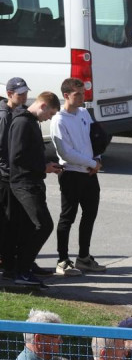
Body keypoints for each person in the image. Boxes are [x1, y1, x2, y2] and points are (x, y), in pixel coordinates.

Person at [49, 77, 103, 277]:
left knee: (89, 215)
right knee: (67, 217)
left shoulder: (83, 113)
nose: (82, 98)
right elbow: (65, 153)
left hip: (90, 174)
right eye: (77, 94)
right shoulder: (59, 120)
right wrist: (92, 163)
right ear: (66, 95)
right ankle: (62, 261)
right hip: (71, 174)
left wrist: (97, 158)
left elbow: (94, 138)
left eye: (83, 94)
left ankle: (84, 257)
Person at [8, 90, 61, 288]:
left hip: (32, 182)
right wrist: (43, 167)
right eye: (50, 114)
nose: (50, 118)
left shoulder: (31, 122)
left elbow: (31, 153)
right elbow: (17, 156)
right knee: (43, 224)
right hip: (24, 184)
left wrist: (47, 163)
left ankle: (24, 266)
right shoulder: (23, 122)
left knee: (30, 226)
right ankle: (21, 270)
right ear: (43, 106)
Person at [0, 78, 29, 281]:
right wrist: (9, 172)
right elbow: (3, 150)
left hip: (19, 177)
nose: (24, 96)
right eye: (20, 94)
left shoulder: (23, 111)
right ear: (10, 94)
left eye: (25, 93)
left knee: (22, 222)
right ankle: (9, 264)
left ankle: (24, 261)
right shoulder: (4, 117)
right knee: (8, 223)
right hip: (7, 178)